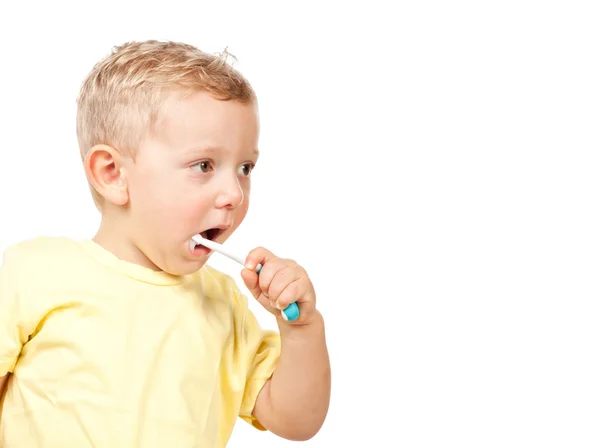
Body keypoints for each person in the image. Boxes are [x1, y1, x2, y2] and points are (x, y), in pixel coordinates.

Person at [0, 40, 330, 447]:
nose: (234, 193)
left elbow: (296, 421)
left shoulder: (223, 305)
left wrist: (301, 330)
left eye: (245, 168)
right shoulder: (33, 273)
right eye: (203, 165)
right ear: (112, 174)